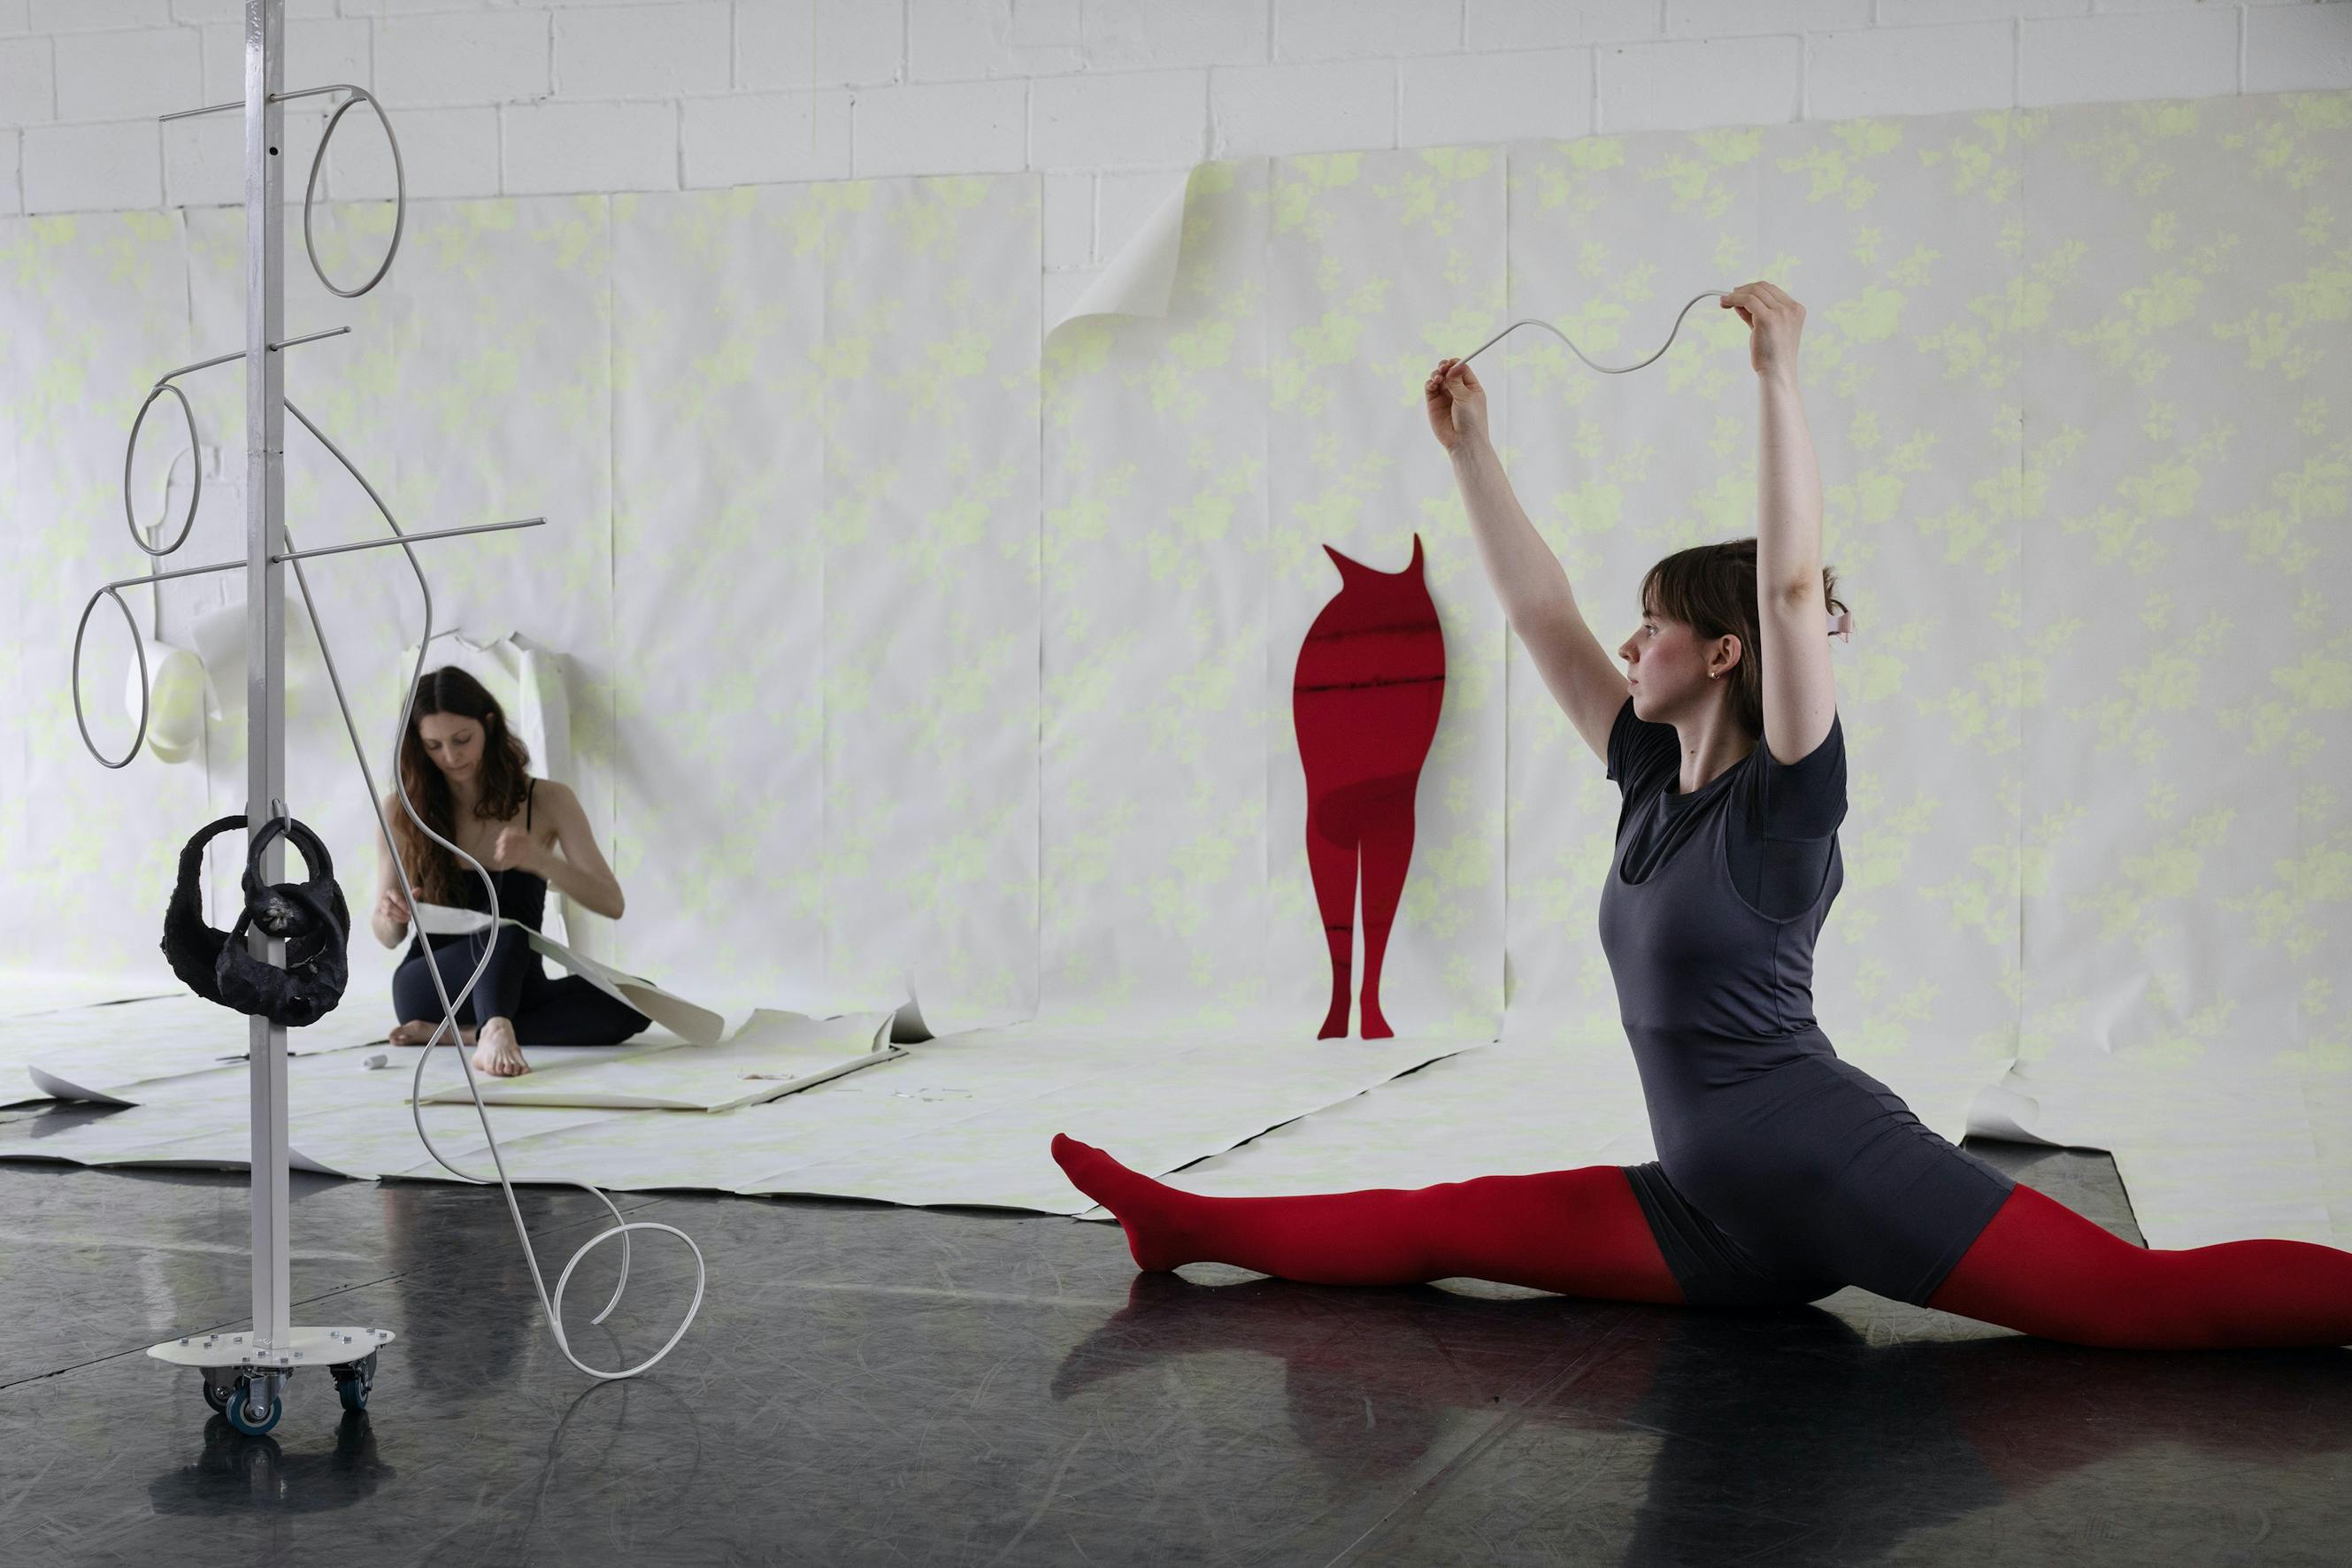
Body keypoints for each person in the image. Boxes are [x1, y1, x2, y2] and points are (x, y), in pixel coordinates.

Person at [1049, 281, 2352, 1350]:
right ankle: (1185, 1227)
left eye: (1657, 624)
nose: (1629, 641)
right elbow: (1541, 616)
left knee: (2136, 1305)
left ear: (1722, 656)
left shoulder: (1786, 801)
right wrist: (1471, 454)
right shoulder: (1640, 773)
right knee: (1445, 1224)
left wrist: (1779, 376)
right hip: (1716, 1217)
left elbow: (1789, 593)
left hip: (1835, 1168)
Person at [373, 666, 649, 1078]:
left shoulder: (549, 800)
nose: (451, 756)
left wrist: (541, 859)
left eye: (462, 739)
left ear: (488, 724)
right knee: (507, 929)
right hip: (432, 984)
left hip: (516, 985)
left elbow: (612, 904)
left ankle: (467, 1033)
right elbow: (387, 936)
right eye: (434, 745)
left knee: (639, 1001)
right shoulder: (401, 809)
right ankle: (496, 1029)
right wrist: (390, 915)